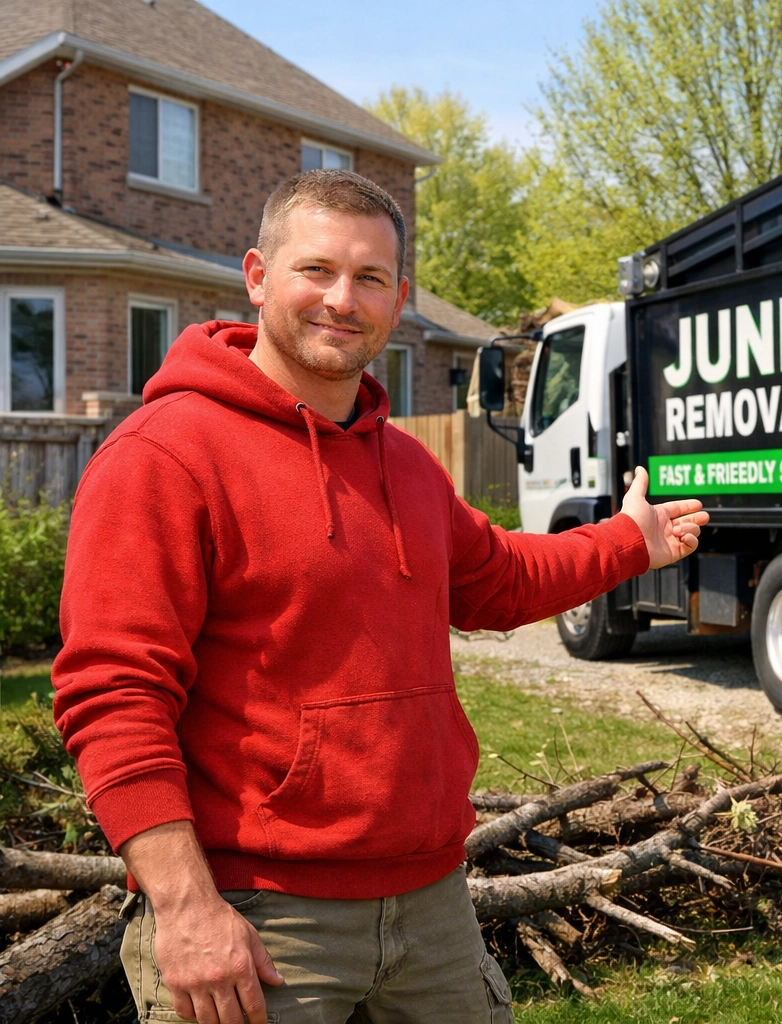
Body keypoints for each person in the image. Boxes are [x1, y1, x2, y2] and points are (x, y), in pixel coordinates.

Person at [51, 170, 708, 1024]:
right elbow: (114, 694)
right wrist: (184, 907)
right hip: (258, 917)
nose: (342, 299)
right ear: (257, 277)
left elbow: (499, 580)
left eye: (369, 278)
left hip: (431, 907)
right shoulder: (164, 456)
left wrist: (628, 542)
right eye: (316, 270)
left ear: (399, 300)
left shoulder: (404, 464)